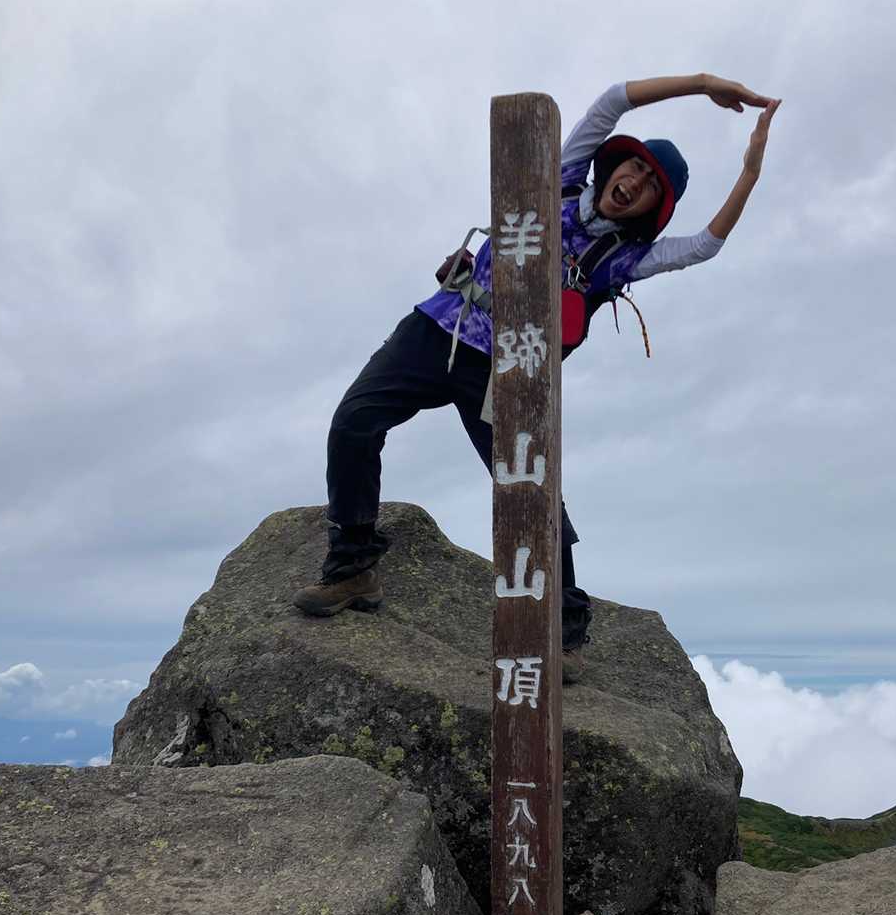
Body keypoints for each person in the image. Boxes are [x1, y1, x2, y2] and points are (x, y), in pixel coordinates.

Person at [294, 73, 780, 681]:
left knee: (533, 490)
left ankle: (566, 631)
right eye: (635, 167)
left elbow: (705, 245)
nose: (635, 183)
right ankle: (352, 568)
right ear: (614, 166)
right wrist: (702, 83)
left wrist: (750, 173)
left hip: (507, 371)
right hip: (442, 325)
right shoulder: (558, 181)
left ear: (654, 209)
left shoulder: (625, 259)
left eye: (652, 186)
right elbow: (612, 102)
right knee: (354, 423)